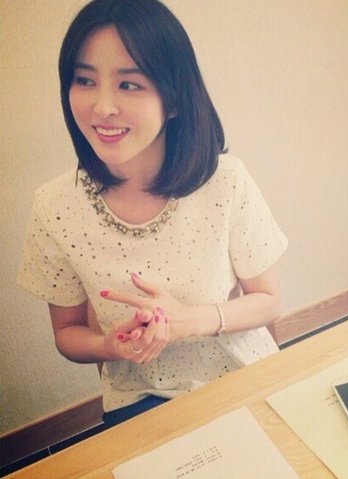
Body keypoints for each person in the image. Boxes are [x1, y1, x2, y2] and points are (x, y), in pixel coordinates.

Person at [17, 0, 287, 426]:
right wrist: (108, 346)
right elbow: (66, 334)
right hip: (140, 397)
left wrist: (189, 321)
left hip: (239, 377)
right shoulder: (55, 207)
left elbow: (268, 301)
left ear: (174, 98)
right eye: (85, 80)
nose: (102, 107)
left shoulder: (226, 181)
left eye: (129, 84)